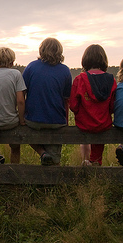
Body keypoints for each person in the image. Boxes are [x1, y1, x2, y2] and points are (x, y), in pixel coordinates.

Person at [23, 38, 72, 166]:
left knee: (25, 133)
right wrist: (65, 121)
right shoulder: (65, 70)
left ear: (42, 50)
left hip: (32, 120)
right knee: (54, 160)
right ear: (59, 52)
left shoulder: (31, 67)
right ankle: (52, 178)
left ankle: (42, 152)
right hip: (56, 121)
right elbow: (66, 99)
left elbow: (21, 93)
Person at [70, 44, 117, 166]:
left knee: (85, 138)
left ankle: (85, 162)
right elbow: (113, 106)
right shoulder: (111, 80)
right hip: (103, 124)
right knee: (98, 145)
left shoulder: (80, 79)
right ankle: (96, 162)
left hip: (84, 124)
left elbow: (73, 105)